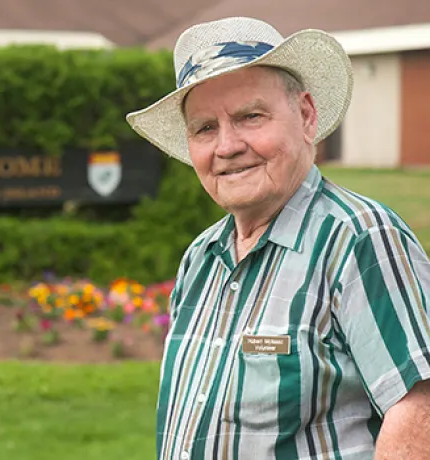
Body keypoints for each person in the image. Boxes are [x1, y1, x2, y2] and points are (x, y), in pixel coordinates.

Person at [125, 16, 430, 460]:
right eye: (205, 128)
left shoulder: (358, 238)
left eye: (250, 117)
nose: (226, 146)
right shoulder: (202, 257)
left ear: (306, 115)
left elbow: (420, 408)